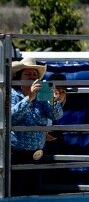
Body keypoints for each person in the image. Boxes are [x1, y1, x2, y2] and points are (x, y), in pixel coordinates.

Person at [7, 57, 64, 195]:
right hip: (16, 155)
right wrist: (30, 97)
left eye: (35, 74)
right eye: (28, 74)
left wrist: (52, 100)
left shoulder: (43, 92)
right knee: (16, 192)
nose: (32, 77)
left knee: (33, 194)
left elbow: (56, 115)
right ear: (19, 77)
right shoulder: (12, 93)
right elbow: (10, 118)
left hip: (37, 155)